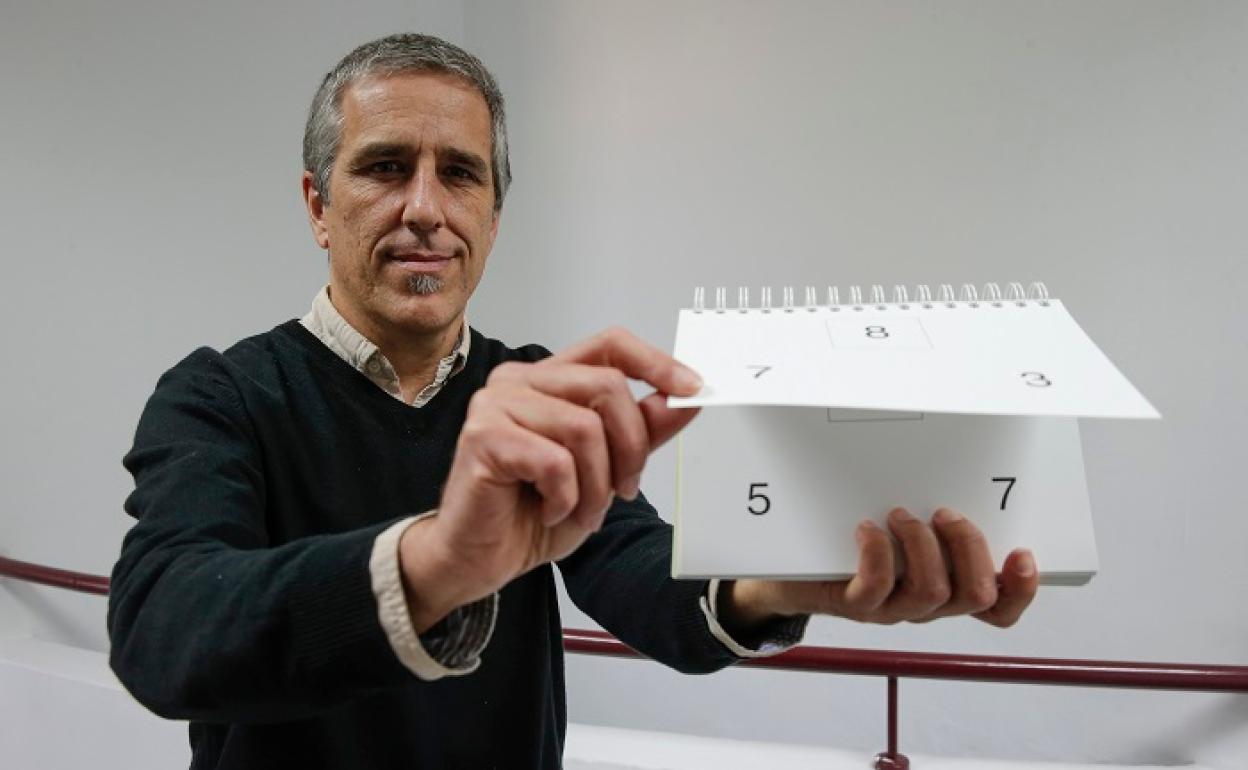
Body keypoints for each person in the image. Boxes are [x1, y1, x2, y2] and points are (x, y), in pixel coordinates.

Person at [107, 33, 1038, 769]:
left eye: (461, 173)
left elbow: (641, 576)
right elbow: (164, 629)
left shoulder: (533, 389)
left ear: (494, 218)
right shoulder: (220, 395)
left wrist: (785, 581)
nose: (426, 208)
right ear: (318, 205)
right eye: (387, 167)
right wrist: (436, 561)